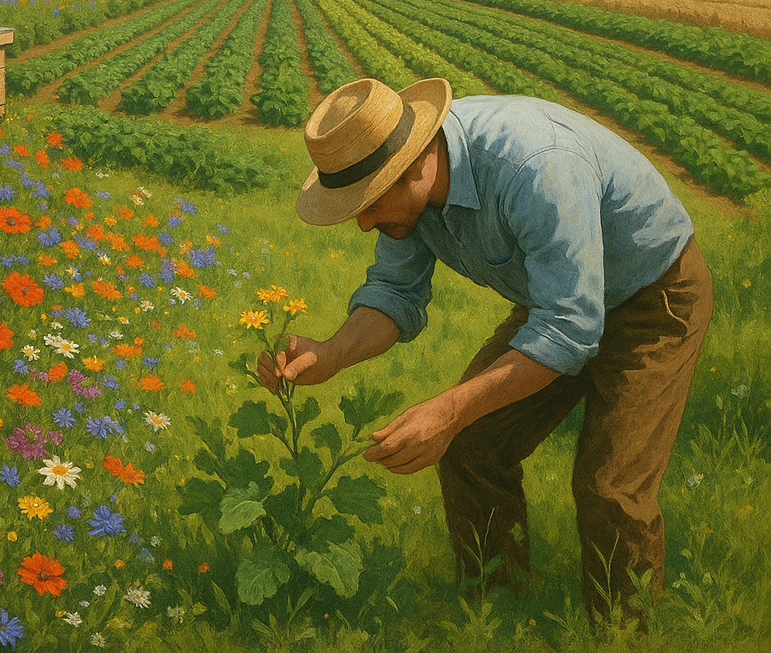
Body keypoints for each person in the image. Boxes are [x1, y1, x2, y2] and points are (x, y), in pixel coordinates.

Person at [259, 77, 712, 626]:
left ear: (418, 163)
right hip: (556, 300)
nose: (363, 220)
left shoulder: (536, 166)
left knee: (610, 486)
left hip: (652, 296)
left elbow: (569, 329)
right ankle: (498, 616)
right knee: (472, 443)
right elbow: (396, 294)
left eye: (370, 201)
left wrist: (447, 409)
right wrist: (330, 354)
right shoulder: (408, 192)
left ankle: (629, 634)